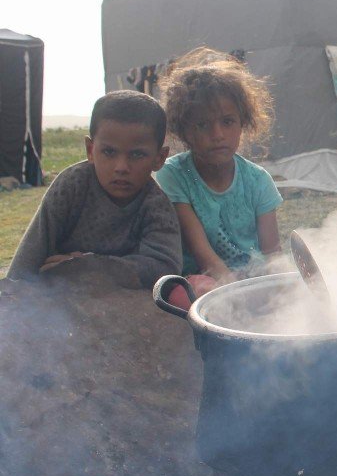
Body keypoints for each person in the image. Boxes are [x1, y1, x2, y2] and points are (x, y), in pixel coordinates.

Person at [8, 91, 181, 287]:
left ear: (159, 158)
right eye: (109, 152)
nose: (121, 167)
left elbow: (165, 268)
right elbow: (27, 260)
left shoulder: (156, 205)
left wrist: (88, 266)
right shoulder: (71, 186)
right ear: (91, 150)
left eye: (137, 154)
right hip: (59, 300)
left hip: (123, 305)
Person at [155, 48, 283, 294]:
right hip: (205, 280)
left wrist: (275, 289)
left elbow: (272, 254)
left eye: (227, 121)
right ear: (184, 131)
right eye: (202, 125)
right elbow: (205, 257)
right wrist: (239, 294)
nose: (217, 135)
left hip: (253, 276)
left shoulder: (258, 181)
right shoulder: (174, 176)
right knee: (198, 291)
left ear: (243, 122)